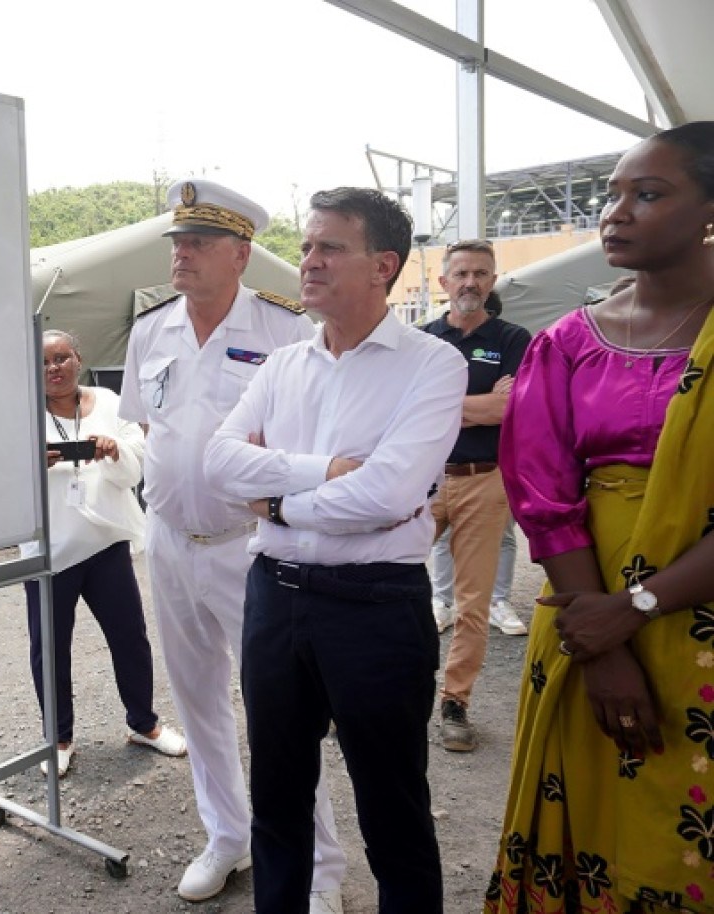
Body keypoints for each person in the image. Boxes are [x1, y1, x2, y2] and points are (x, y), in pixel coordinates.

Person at [204, 186, 465, 913]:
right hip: (275, 599)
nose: (308, 261)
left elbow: (387, 494)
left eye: (328, 247)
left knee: (393, 810)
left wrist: (276, 501)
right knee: (278, 803)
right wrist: (319, 473)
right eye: (308, 246)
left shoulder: (432, 365)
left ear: (384, 264)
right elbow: (216, 464)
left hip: (377, 608)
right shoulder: (284, 364)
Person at [485, 122, 714, 912]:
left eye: (648, 195)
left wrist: (638, 607)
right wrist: (601, 639)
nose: (616, 213)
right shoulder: (566, 344)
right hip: (582, 622)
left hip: (697, 618)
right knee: (588, 807)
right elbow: (544, 497)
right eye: (612, 194)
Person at [120, 179, 347, 910]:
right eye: (177, 241)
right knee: (197, 700)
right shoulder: (150, 330)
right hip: (168, 540)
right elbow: (152, 432)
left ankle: (318, 870)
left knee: (281, 709)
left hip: (251, 545)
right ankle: (228, 836)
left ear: (241, 254)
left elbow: (316, 442)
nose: (180, 253)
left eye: (198, 242)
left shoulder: (284, 330)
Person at [22, 329, 186, 777]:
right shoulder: (20, 413)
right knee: (50, 648)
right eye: (43, 362)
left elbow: (139, 463)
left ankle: (144, 724)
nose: (53, 368)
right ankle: (57, 736)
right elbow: (3, 478)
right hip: (49, 552)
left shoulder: (111, 402)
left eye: (61, 358)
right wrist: (34, 464)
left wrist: (114, 453)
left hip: (106, 541)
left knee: (130, 636)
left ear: (79, 358)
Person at [420, 240, 532, 753]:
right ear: (443, 282)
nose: (470, 282)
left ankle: (455, 701)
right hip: (420, 477)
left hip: (485, 480)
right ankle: (376, 688)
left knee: (472, 602)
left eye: (481, 274)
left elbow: (511, 411)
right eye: (461, 273)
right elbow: (404, 410)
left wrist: (443, 405)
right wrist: (482, 403)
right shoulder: (420, 339)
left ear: (492, 281)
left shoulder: (513, 339)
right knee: (377, 575)